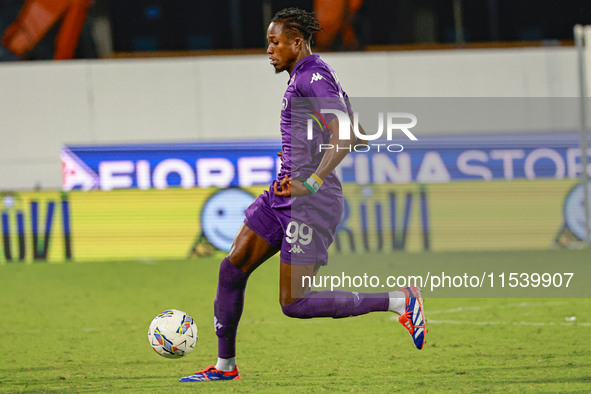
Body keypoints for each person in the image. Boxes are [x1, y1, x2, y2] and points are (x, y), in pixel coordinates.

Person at [180, 8, 426, 383]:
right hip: (283, 195)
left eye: (275, 42)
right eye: (268, 42)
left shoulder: (312, 75)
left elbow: (344, 137)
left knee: (294, 303)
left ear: (297, 42)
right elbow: (357, 135)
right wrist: (305, 150)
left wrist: (310, 179)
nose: (269, 50)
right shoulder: (312, 76)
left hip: (310, 201)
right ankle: (225, 367)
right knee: (232, 268)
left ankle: (399, 301)